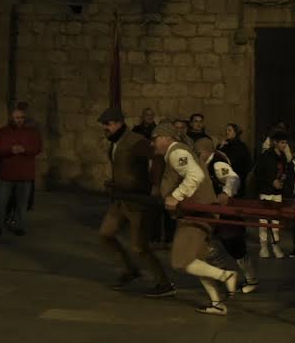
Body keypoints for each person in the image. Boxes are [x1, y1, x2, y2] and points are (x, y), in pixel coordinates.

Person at [156, 123, 237, 315]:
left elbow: (195, 175)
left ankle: (226, 275)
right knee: (196, 260)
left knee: (180, 261)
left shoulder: (176, 152)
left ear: (166, 138)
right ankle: (216, 303)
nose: (153, 144)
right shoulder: (175, 154)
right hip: (198, 212)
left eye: (155, 139)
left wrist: (176, 196)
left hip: (197, 214)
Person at [98, 106, 174, 298]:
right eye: (104, 124)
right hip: (120, 198)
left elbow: (157, 156)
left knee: (139, 246)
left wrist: (156, 185)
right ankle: (130, 270)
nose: (105, 128)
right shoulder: (115, 142)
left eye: (108, 124)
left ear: (118, 123)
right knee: (105, 234)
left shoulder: (135, 141)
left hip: (137, 201)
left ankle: (164, 283)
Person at [197, 136, 257, 294]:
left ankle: (251, 279)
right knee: (205, 242)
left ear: (205, 151)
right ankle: (223, 273)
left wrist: (225, 192)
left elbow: (233, 178)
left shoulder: (217, 163)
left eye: (198, 152)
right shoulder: (205, 163)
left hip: (226, 211)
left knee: (234, 245)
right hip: (213, 210)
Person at [0, 106, 41, 237]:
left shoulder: (32, 133)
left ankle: (20, 226)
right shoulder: (2, 132)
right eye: (16, 117)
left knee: (21, 204)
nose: (19, 120)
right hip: (6, 173)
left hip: (24, 174)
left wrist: (24, 149)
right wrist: (10, 149)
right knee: (1, 202)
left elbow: (37, 147)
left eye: (21, 118)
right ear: (11, 118)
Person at [253, 130, 291, 258]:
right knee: (263, 221)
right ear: (275, 142)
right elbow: (259, 173)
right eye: (282, 142)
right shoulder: (265, 156)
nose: (284, 145)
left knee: (275, 221)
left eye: (285, 143)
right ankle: (263, 247)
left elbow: (285, 170)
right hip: (266, 191)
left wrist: (283, 179)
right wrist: (271, 181)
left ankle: (275, 246)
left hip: (277, 192)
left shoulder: (283, 157)